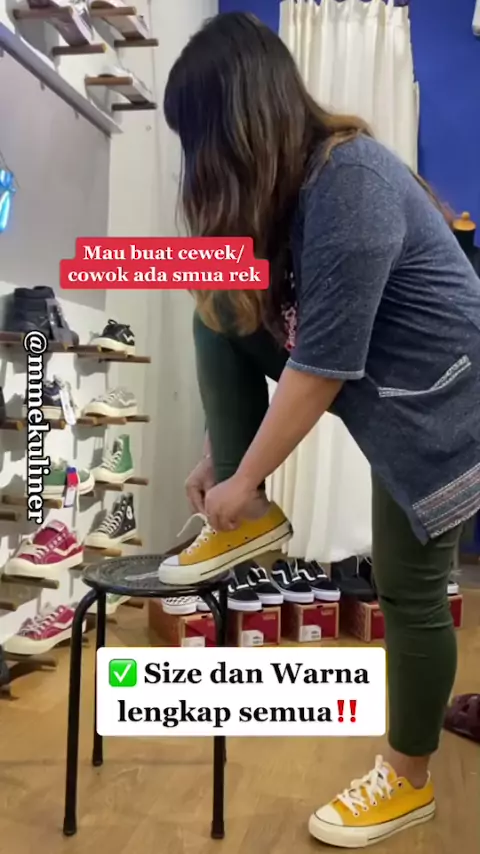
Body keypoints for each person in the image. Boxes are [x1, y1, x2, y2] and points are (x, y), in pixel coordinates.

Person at [158, 11, 480, 850]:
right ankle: (255, 517)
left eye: (200, 138)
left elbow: (320, 367)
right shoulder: (290, 197)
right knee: (217, 299)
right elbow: (281, 332)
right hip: (382, 384)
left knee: (410, 588)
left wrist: (237, 484)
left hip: (447, 404)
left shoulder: (350, 181)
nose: (198, 161)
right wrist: (223, 456)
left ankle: (407, 781)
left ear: (239, 122)